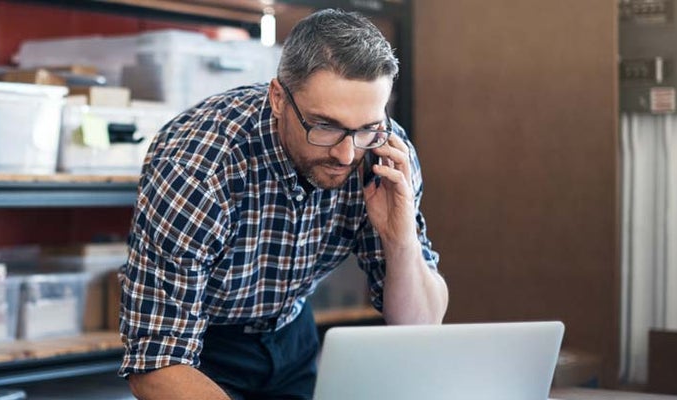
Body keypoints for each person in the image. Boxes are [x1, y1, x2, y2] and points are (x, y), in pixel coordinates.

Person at [119, 9, 449, 400]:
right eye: (324, 126)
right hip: (202, 348)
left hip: (291, 331)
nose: (346, 155)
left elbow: (419, 326)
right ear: (278, 98)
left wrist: (401, 241)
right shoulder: (198, 167)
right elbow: (155, 361)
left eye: (366, 127)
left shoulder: (384, 155)